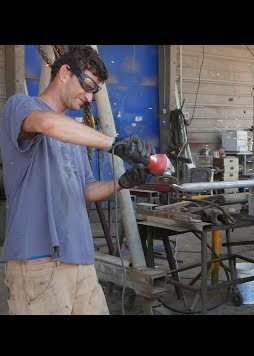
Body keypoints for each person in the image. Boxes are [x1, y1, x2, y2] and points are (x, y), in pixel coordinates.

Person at [0, 45, 157, 315]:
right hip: (38, 261)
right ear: (64, 73)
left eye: (94, 91)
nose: (89, 97)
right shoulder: (21, 106)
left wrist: (123, 181)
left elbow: (84, 190)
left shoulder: (74, 134)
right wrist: (115, 144)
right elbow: (47, 125)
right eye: (87, 85)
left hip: (81, 260)